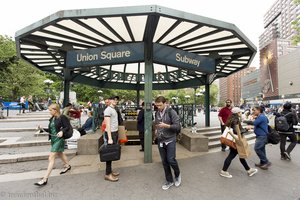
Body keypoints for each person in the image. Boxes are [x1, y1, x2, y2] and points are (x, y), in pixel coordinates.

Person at [34, 103, 72, 186]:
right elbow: (51, 129)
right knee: (60, 153)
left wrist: (62, 131)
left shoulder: (62, 117)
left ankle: (45, 179)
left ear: (55, 110)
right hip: (53, 139)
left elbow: (67, 127)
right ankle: (67, 166)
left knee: (51, 157)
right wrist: (41, 129)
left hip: (59, 139)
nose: (49, 112)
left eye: (50, 110)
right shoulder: (52, 118)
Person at [219, 107, 258, 178]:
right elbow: (236, 131)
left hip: (233, 140)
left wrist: (244, 129)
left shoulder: (231, 118)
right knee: (233, 156)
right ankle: (224, 171)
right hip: (236, 140)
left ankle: (249, 170)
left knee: (240, 155)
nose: (241, 113)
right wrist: (246, 129)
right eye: (240, 112)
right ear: (237, 113)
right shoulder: (235, 120)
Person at [154, 96, 181, 190]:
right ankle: (169, 181)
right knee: (164, 162)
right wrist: (157, 130)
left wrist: (167, 126)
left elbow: (177, 127)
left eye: (160, 105)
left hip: (170, 139)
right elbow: (157, 124)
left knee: (171, 160)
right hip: (161, 140)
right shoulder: (157, 113)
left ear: (165, 103)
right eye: (157, 105)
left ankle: (177, 175)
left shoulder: (171, 112)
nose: (158, 107)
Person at [103, 97, 120, 182]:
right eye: (113, 100)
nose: (115, 101)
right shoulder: (108, 110)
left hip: (114, 132)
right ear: (109, 101)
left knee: (112, 153)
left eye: (116, 100)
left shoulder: (113, 109)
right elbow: (108, 125)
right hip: (111, 133)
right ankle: (107, 174)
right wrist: (109, 138)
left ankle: (110, 171)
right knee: (109, 154)